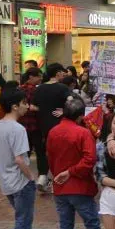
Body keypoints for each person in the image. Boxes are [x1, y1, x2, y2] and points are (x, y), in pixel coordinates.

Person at [46, 98, 103, 229]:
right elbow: (89, 160)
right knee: (93, 227)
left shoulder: (53, 132)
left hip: (60, 188)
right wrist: (71, 172)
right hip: (80, 187)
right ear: (80, 116)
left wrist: (60, 174)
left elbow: (50, 157)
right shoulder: (83, 133)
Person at [0, 89, 40, 229]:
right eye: (24, 103)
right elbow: (20, 159)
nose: (27, 106)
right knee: (24, 223)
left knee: (20, 219)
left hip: (7, 182)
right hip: (20, 182)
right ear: (14, 106)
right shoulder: (18, 129)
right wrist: (31, 177)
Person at [32, 63, 71, 192]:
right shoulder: (63, 88)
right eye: (62, 72)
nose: (63, 75)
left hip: (42, 126)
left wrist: (43, 110)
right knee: (59, 154)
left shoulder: (39, 88)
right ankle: (58, 181)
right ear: (57, 73)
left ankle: (42, 177)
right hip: (59, 125)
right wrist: (64, 111)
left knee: (44, 152)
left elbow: (33, 106)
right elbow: (72, 101)